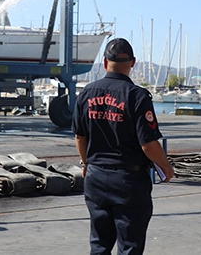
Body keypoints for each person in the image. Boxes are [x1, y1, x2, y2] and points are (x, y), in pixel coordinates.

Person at [72, 38, 175, 255]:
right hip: (128, 182)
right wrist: (165, 166)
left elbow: (80, 137)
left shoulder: (87, 94)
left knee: (99, 244)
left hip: (96, 177)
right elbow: (148, 144)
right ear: (133, 62)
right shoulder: (137, 96)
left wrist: (85, 163)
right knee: (129, 246)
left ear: (104, 62)